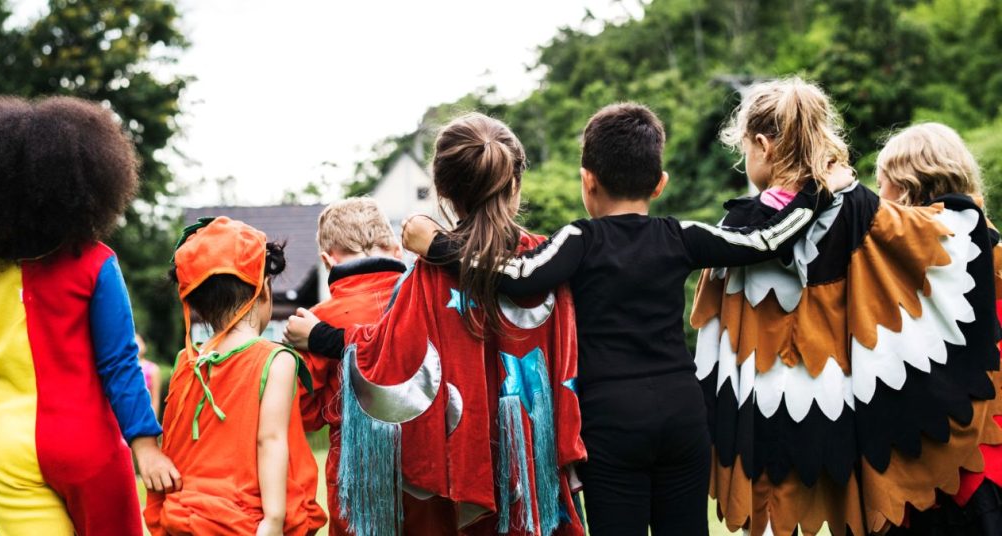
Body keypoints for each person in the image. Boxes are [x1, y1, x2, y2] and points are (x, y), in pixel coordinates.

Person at [401, 102, 855, 535]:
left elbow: (517, 276)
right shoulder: (681, 235)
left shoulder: (578, 240)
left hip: (611, 423)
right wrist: (816, 191)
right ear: (659, 184)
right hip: (682, 416)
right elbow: (764, 241)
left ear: (587, 181)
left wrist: (439, 246)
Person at [687, 79, 1002, 535]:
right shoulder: (873, 217)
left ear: (762, 145)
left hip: (783, 437)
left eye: (746, 151)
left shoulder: (734, 235)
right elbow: (961, 240)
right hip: (876, 435)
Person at [288, 113, 587, 535]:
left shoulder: (427, 276)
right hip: (535, 475)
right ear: (515, 184)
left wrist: (318, 335)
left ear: (442, 190)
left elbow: (388, 360)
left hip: (466, 475)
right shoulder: (546, 261)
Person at [0, 96, 178, 536]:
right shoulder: (96, 263)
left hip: (6, 446)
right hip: (85, 443)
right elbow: (120, 363)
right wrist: (146, 447)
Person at [143, 217, 326, 536]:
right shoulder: (276, 360)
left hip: (186, 518)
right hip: (248, 522)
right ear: (264, 291)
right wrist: (273, 518)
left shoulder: (187, 361)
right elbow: (269, 440)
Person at [284, 197, 457, 535]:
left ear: (326, 261)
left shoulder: (316, 322)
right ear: (395, 250)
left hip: (356, 466)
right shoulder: (433, 303)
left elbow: (305, 414)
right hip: (430, 463)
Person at [876, 122, 1002, 535]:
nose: (880, 199)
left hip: (961, 474)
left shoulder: (906, 270)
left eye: (883, 186)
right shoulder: (994, 248)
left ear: (911, 186)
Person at [136, 334, 163, 418]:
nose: (136, 345)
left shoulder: (153, 369)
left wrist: (153, 420)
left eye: (139, 342)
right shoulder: (124, 369)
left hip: (146, 417)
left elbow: (155, 399)